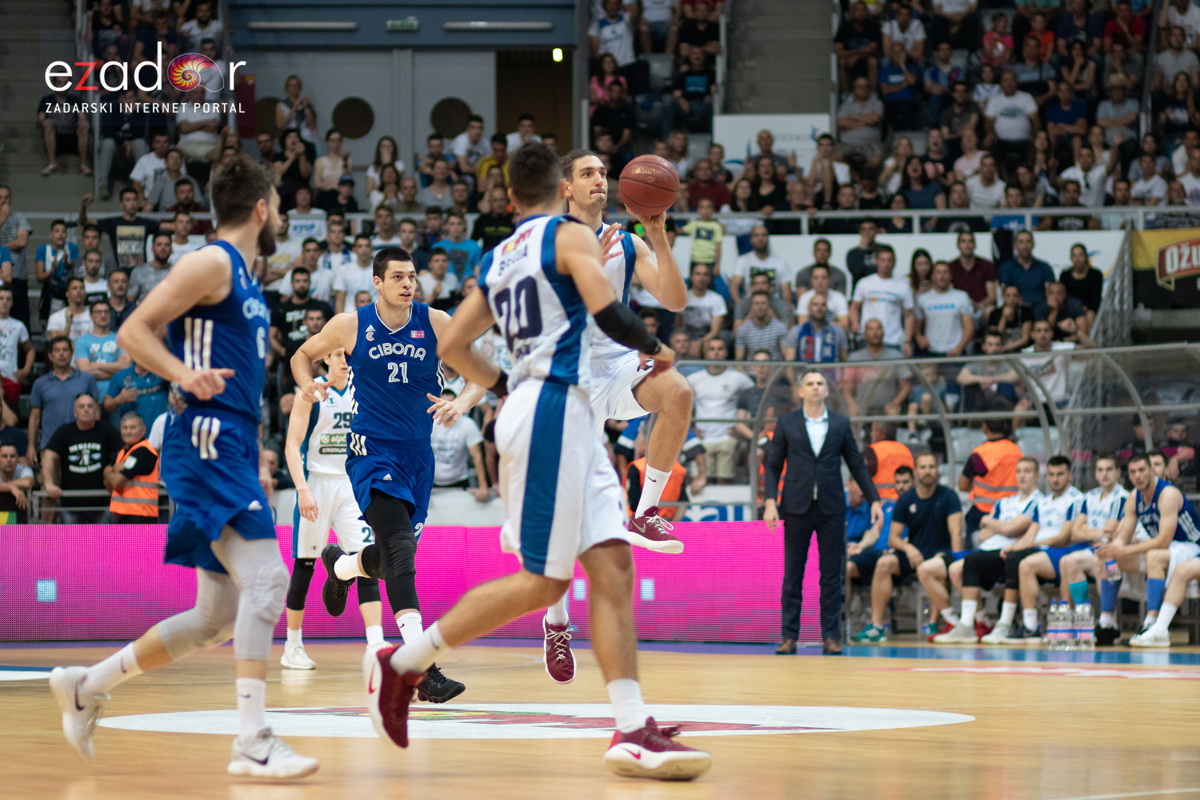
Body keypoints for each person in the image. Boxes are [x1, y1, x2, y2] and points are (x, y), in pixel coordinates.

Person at [364, 142, 712, 780]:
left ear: (508, 199)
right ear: (558, 188)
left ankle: (632, 727)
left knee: (611, 566)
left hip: (556, 404)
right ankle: (407, 660)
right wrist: (654, 349)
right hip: (555, 406)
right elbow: (610, 310)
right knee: (544, 582)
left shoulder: (499, 257)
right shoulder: (568, 237)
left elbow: (450, 341)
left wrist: (500, 388)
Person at [49, 155, 320, 778]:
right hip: (204, 438)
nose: (278, 213)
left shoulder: (246, 279)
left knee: (213, 619)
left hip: (227, 442)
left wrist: (252, 448)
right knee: (269, 580)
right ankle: (252, 740)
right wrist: (181, 375)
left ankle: (87, 685)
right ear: (261, 208)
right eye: (276, 204)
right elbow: (134, 330)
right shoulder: (212, 261)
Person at [292, 242, 489, 704]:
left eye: (412, 277)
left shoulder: (437, 323)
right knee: (402, 553)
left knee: (389, 558)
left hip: (419, 458)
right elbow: (303, 355)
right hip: (370, 453)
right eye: (397, 277)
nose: (407, 284)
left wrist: (461, 401)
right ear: (376, 283)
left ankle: (342, 566)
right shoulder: (351, 324)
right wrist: (309, 387)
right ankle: (420, 668)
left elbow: (482, 374)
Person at [281, 348, 389, 671]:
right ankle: (292, 645)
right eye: (337, 354)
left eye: (348, 355)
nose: (344, 360)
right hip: (316, 483)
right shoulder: (312, 392)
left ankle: (375, 642)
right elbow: (292, 443)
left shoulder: (364, 390)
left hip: (352, 484)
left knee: (367, 558)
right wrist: (302, 489)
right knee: (304, 563)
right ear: (325, 358)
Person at [764, 369, 882, 655]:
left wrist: (874, 499)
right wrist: (770, 501)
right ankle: (789, 636)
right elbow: (772, 465)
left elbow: (856, 463)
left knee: (831, 575)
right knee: (793, 574)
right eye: (810, 383)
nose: (816, 387)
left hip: (830, 507)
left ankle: (831, 636)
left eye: (820, 383)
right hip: (795, 506)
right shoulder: (787, 423)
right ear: (801, 391)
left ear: (827, 391)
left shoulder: (841, 424)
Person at [921, 455, 1041, 641]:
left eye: (1027, 471)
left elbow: (1011, 529)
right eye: (1019, 471)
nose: (1022, 476)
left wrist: (992, 522)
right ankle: (968, 621)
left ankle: (970, 624)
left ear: (1037, 475)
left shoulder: (1038, 501)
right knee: (927, 568)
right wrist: (1001, 525)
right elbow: (982, 534)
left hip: (1005, 552)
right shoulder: (1005, 502)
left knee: (961, 567)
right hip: (983, 549)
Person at [851, 452, 960, 643]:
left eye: (932, 467)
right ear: (917, 471)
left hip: (939, 553)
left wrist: (957, 559)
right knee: (885, 563)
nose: (928, 471)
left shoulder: (949, 496)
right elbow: (893, 538)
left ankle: (935, 622)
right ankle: (876, 626)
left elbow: (956, 533)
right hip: (913, 554)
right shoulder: (905, 499)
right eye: (924, 467)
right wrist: (909, 548)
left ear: (937, 470)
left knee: (938, 565)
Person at [1098, 453, 1200, 647]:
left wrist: (1125, 551)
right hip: (1168, 551)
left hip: (1190, 546)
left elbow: (1163, 540)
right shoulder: (1133, 498)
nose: (1138, 476)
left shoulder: (1167, 494)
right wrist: (1112, 549)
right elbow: (1123, 537)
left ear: (1151, 471)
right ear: (1128, 475)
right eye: (1133, 471)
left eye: (1142, 470)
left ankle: (1151, 623)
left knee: (1153, 555)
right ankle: (1107, 622)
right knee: (1110, 560)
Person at [28, 336, 100, 464]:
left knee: (79, 484)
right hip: (50, 444)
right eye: (57, 350)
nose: (61, 354)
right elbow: (34, 417)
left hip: (82, 444)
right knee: (50, 483)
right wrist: (31, 447)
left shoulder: (86, 379)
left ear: (72, 354)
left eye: (65, 350)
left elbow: (96, 412)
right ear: (50, 356)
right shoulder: (40, 383)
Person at [960, 418, 1023, 535]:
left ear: (984, 427)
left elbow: (963, 485)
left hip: (983, 510)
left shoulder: (980, 453)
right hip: (1011, 509)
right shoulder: (1016, 451)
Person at [849, 244, 915, 356]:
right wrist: (855, 323)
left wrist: (907, 341)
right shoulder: (864, 283)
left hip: (894, 340)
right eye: (883, 260)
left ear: (894, 262)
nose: (886, 263)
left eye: (889, 260)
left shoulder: (902, 286)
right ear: (876, 261)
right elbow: (854, 307)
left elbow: (909, 315)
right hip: (868, 339)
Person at [104, 412, 159, 523]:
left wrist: (111, 472)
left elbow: (115, 482)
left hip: (142, 517)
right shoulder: (123, 452)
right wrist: (113, 470)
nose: (128, 431)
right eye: (125, 428)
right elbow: (106, 476)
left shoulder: (143, 451)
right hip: (124, 516)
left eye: (132, 427)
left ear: (143, 430)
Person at [0, 442, 33, 524]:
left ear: (18, 458)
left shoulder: (23, 469)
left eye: (12, 456)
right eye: (4, 456)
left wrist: (5, 486)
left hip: (18, 517)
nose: (8, 460)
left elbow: (28, 483)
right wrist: (12, 488)